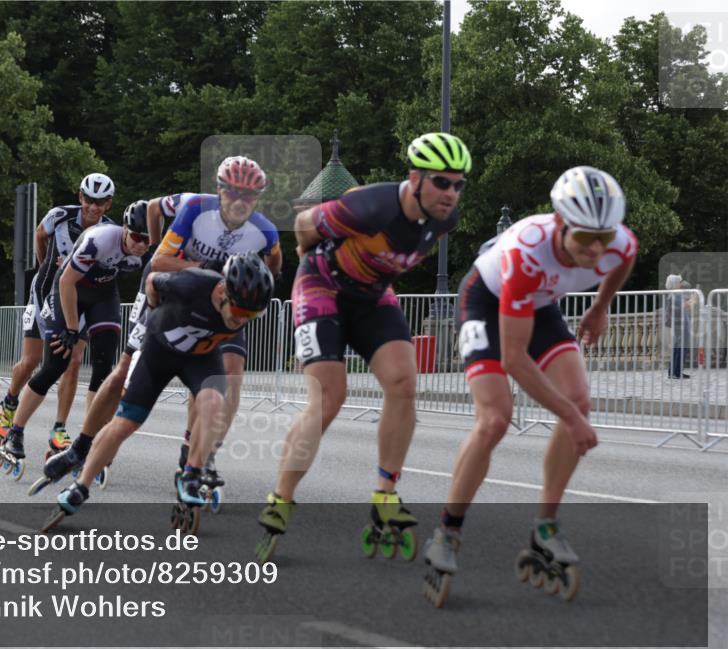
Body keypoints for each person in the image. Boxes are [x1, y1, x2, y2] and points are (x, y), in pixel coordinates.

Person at [421, 166, 637, 607]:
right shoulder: (526, 251)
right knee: (495, 420)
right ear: (559, 223)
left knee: (580, 397)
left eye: (604, 236)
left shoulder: (617, 242)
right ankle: (447, 530)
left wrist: (600, 307)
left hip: (537, 307)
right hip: (486, 299)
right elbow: (514, 360)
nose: (597, 249)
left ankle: (545, 527)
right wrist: (572, 420)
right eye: (584, 238)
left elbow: (625, 259)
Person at [254, 132, 473, 564]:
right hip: (322, 286)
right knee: (329, 397)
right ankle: (281, 498)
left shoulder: (445, 220)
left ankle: (385, 493)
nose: (450, 193)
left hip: (372, 295)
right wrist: (308, 258)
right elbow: (303, 224)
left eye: (458, 184)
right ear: (414, 178)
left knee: (404, 383)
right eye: (441, 182)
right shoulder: (371, 205)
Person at [44, 158, 281, 490]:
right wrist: (173, 252)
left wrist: (251, 283)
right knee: (123, 373)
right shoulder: (194, 207)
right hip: (169, 290)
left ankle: (200, 455)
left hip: (220, 301)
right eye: (233, 194)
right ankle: (81, 447)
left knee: (229, 374)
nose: (241, 203)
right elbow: (155, 230)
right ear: (219, 191)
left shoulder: (265, 229)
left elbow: (274, 264)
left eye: (250, 196)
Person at [38, 253, 274, 530]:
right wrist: (154, 311)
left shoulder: (241, 307)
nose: (240, 319)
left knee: (213, 402)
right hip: (159, 352)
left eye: (251, 315)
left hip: (200, 358)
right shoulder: (192, 284)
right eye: (238, 311)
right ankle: (80, 486)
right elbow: (151, 281)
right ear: (222, 290)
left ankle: (192, 474)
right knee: (125, 423)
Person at [0, 200, 151, 479]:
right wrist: (69, 328)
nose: (140, 245)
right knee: (55, 364)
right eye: (137, 237)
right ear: (125, 229)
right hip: (68, 289)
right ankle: (14, 433)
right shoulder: (100, 239)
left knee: (105, 371)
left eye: (147, 240)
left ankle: (87, 440)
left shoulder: (145, 255)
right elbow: (66, 282)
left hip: (102, 296)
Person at [0, 173, 116, 455]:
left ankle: (59, 429)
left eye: (100, 202)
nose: (93, 207)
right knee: (32, 361)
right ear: (80, 197)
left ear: (108, 204)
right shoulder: (59, 216)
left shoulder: (108, 231)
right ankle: (10, 402)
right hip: (45, 293)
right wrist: (46, 267)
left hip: (77, 300)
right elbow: (39, 235)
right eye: (88, 200)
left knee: (73, 361)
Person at [664, 274, 694, 379]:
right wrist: (691, 301)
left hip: (679, 324)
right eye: (679, 282)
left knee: (678, 347)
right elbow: (681, 307)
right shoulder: (675, 295)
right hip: (680, 325)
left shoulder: (674, 294)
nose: (681, 283)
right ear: (675, 283)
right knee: (681, 347)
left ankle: (674, 371)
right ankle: (676, 372)